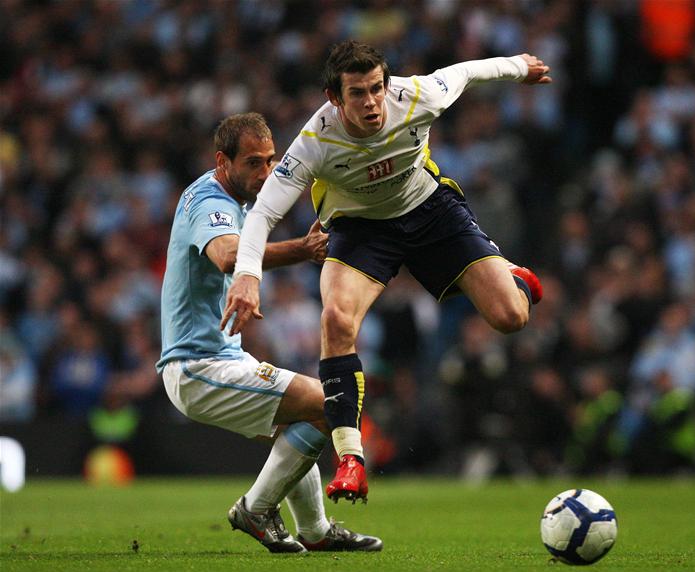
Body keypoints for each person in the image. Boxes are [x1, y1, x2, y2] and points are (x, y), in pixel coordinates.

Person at [222, 41, 551, 504]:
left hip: (429, 209)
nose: (372, 102)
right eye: (357, 93)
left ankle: (510, 275)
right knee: (336, 319)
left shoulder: (416, 96)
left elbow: (466, 72)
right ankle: (351, 460)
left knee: (511, 318)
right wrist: (248, 275)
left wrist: (520, 67)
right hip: (361, 230)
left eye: (377, 88)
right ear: (334, 98)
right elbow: (261, 215)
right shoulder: (314, 141)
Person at [157, 112, 382, 553]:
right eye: (253, 163)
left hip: (220, 359)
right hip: (196, 366)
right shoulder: (210, 202)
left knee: (300, 424)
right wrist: (300, 249)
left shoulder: (234, 200)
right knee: (326, 402)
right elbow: (227, 256)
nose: (265, 173)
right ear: (223, 161)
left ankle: (316, 532)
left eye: (270, 161)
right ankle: (255, 509)